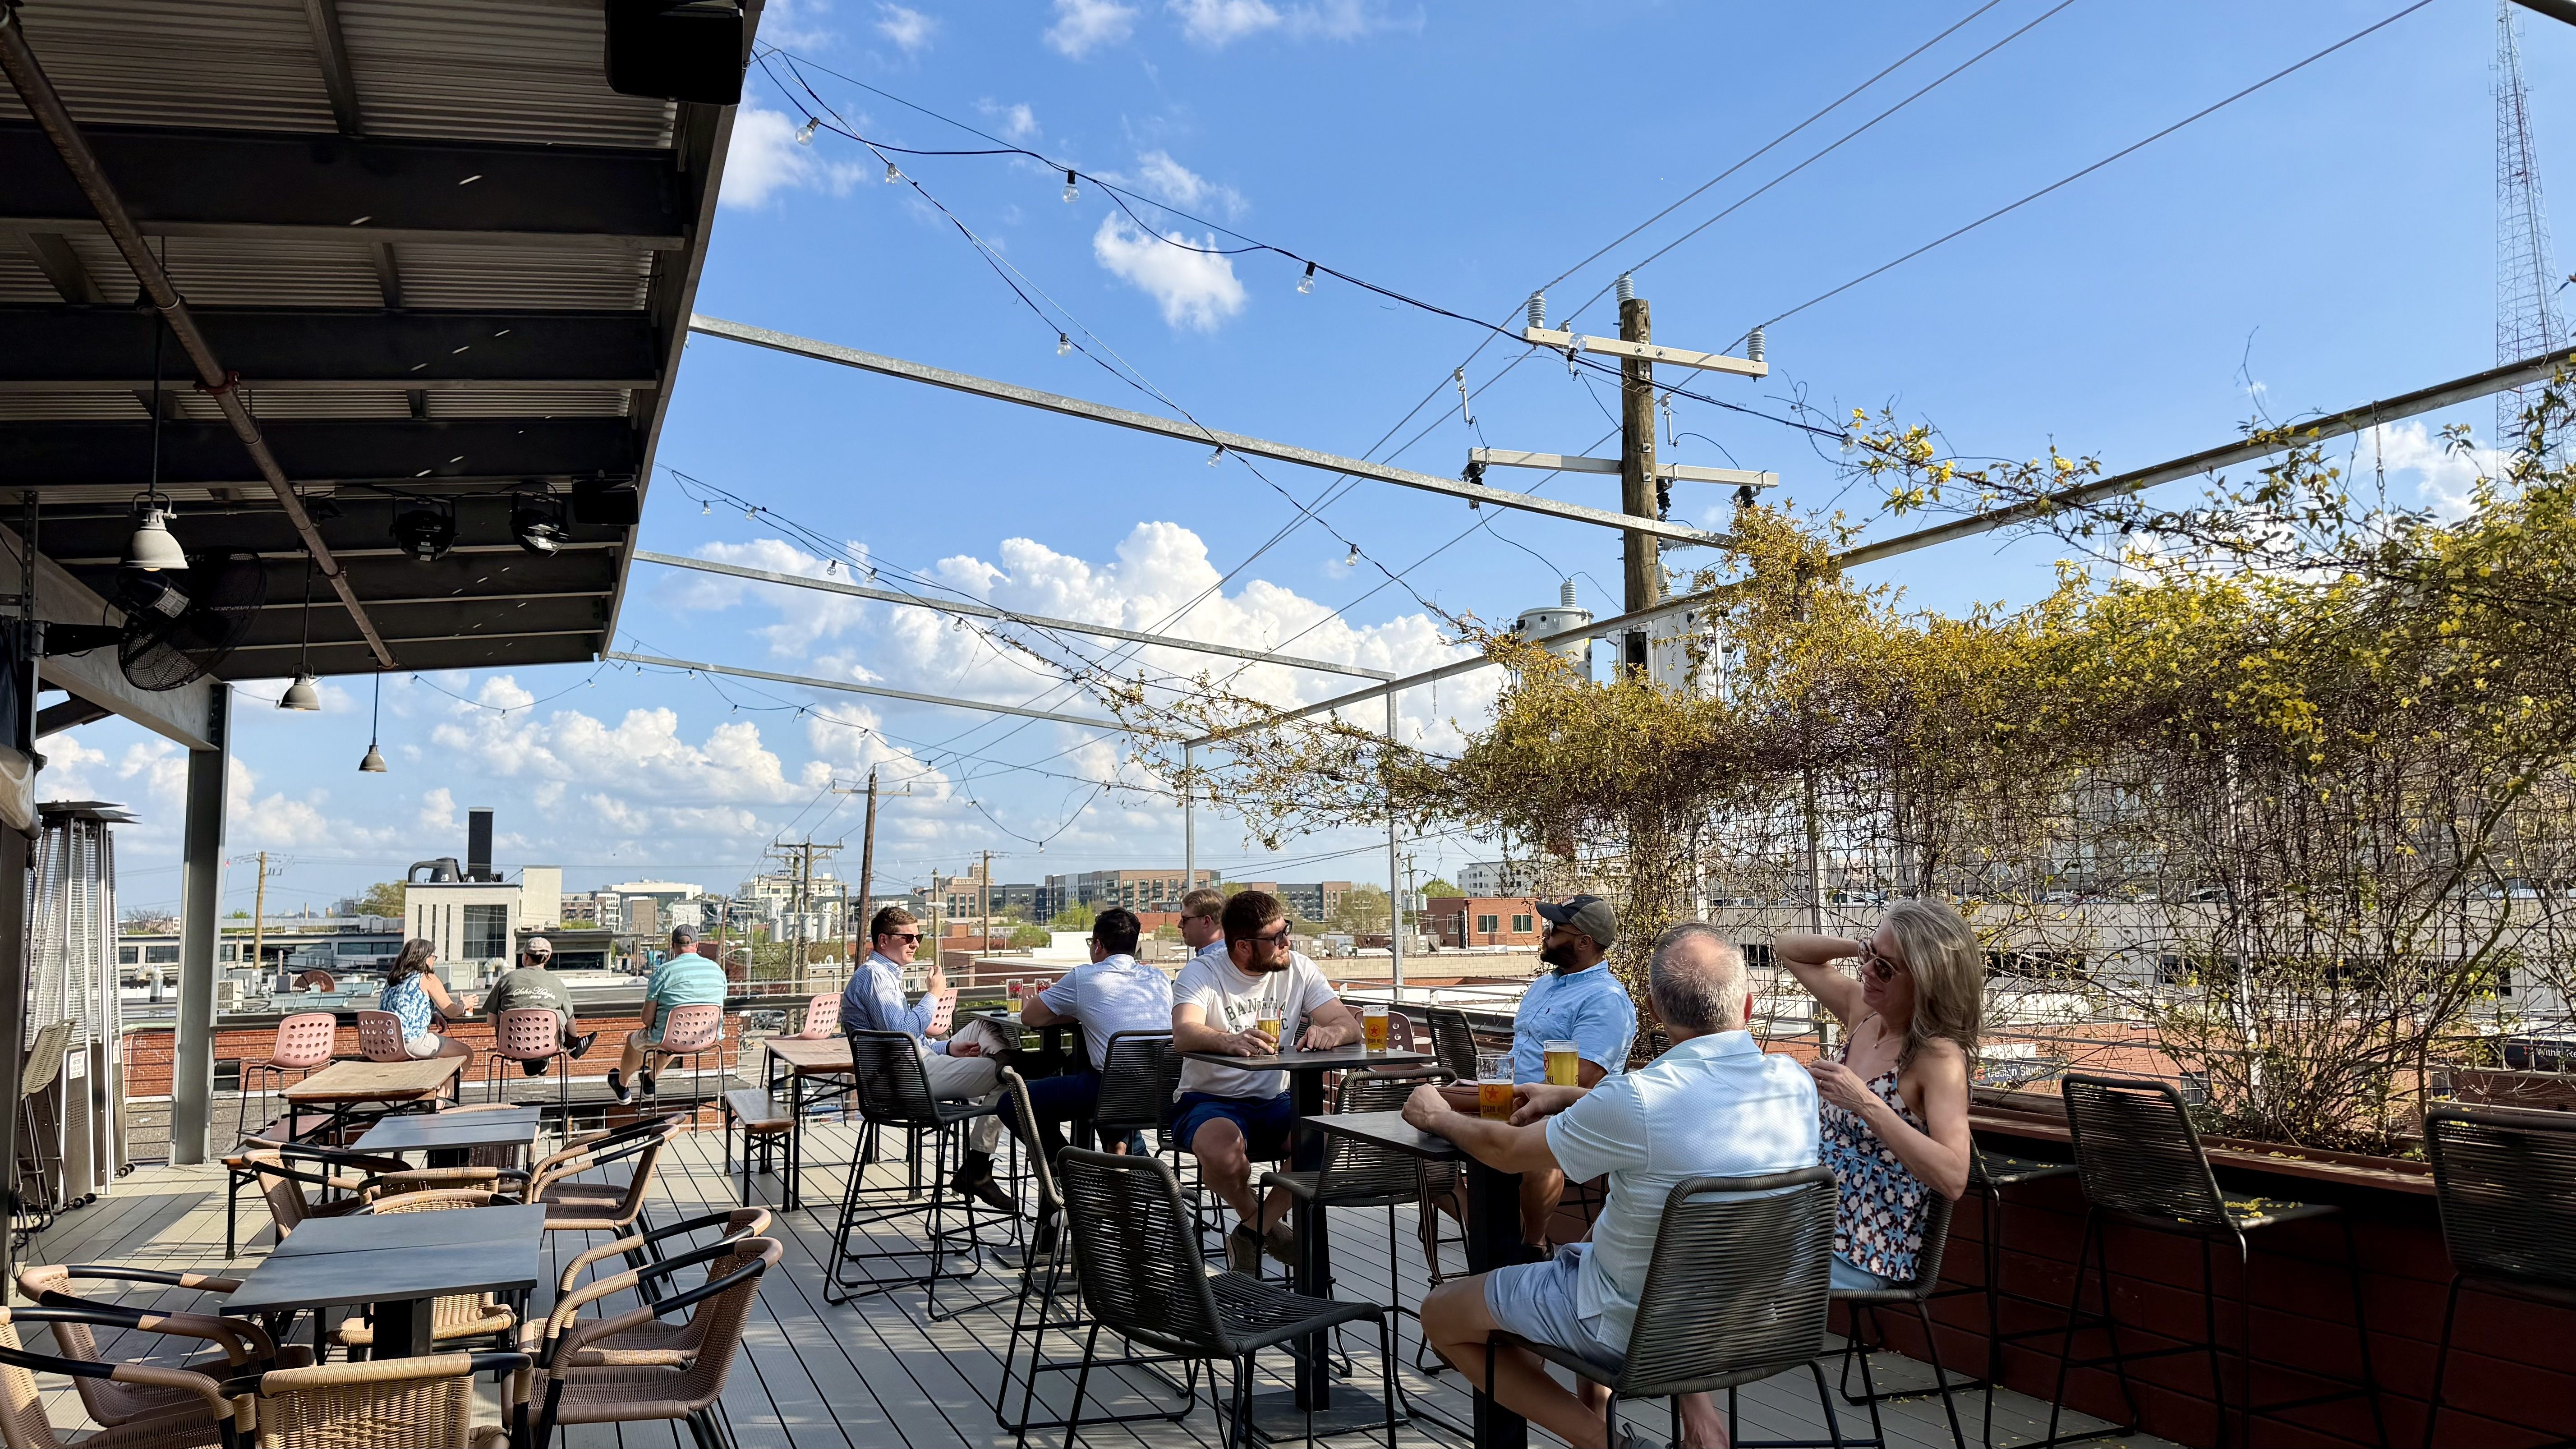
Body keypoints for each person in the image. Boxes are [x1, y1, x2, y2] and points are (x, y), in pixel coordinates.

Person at [1400, 924, 1817, 1449]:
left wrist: (1437, 1115)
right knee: (1606, 1238)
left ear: (1653, 1009)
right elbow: (1681, 1115)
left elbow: (1506, 1152)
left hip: (1636, 1331)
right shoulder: (1794, 1081)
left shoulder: (1637, 1099)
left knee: (1442, 1313)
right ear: (1750, 1005)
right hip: (1756, 1322)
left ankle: (1607, 1444)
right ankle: (1701, 1420)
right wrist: (1574, 1097)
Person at [1774, 902, 1980, 1287]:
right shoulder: (1866, 1014)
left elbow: (1954, 1177)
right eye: (1869, 957)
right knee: (1705, 1241)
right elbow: (1787, 947)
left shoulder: (1938, 1058)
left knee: (1740, 1272)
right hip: (1807, 1213)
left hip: (1865, 1240)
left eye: (1885, 969)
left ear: (1926, 980)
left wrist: (1865, 1102)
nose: (1867, 972)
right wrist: (1868, 948)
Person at [1171, 888, 1366, 1273]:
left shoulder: (1300, 968)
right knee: (1224, 1155)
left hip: (1276, 1098)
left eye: (1286, 931)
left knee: (1328, 1142)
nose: (1286, 943)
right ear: (1243, 946)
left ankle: (1252, 1231)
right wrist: (1227, 1040)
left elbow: (1348, 1025)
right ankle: (1265, 1226)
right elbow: (1184, 1033)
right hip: (1208, 1098)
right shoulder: (1203, 972)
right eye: (1276, 938)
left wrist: (1334, 1034)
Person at [1003, 906, 1175, 1245]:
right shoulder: (1157, 977)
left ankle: (1075, 1174)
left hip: (1110, 1090)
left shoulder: (1086, 977)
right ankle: (1120, 1165)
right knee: (1103, 1083)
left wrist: (1074, 1010)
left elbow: (1030, 1017)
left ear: (1098, 945)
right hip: (1162, 1094)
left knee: (1012, 1104)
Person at [842, 905, 1014, 1212]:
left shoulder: (885, 975)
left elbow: (905, 1041)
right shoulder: (875, 976)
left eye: (918, 936)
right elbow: (900, 1034)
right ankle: (979, 1167)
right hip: (906, 1082)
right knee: (1013, 1077)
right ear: (884, 940)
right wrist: (933, 995)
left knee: (982, 1026)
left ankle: (1012, 1064)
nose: (916, 943)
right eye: (908, 937)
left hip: (915, 1066)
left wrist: (947, 1049)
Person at [1510, 894, 1639, 1248]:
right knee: (1428, 1137)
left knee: (1541, 1152)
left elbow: (1580, 1082)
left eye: (1555, 929)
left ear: (1584, 942)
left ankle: (1531, 1248)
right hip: (1514, 1102)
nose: (1547, 934)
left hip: (1575, 1114)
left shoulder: (1605, 999)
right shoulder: (1544, 986)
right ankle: (1491, 1230)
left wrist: (1527, 1102)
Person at [608, 925, 725, 1104]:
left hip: (671, 1038)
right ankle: (650, 1080)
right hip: (707, 1038)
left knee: (637, 1040)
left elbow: (647, 1019)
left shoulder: (664, 971)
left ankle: (622, 1087)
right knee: (675, 1038)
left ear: (673, 946)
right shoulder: (717, 971)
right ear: (697, 944)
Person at [483, 936, 598, 1074]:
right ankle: (573, 1046)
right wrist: (572, 1037)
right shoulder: (557, 984)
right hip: (546, 1045)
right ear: (548, 959)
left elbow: (490, 1021)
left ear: (525, 957)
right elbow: (571, 1025)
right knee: (558, 1014)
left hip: (511, 1045)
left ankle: (560, 1052)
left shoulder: (507, 980)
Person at [379, 939, 472, 1061]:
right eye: (433, 957)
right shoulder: (427, 979)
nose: (434, 961)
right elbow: (451, 1012)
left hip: (384, 1043)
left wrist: (433, 1015)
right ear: (424, 958)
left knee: (439, 1059)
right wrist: (463, 1005)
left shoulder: (392, 980)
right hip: (410, 1043)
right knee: (466, 1054)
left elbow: (402, 1010)